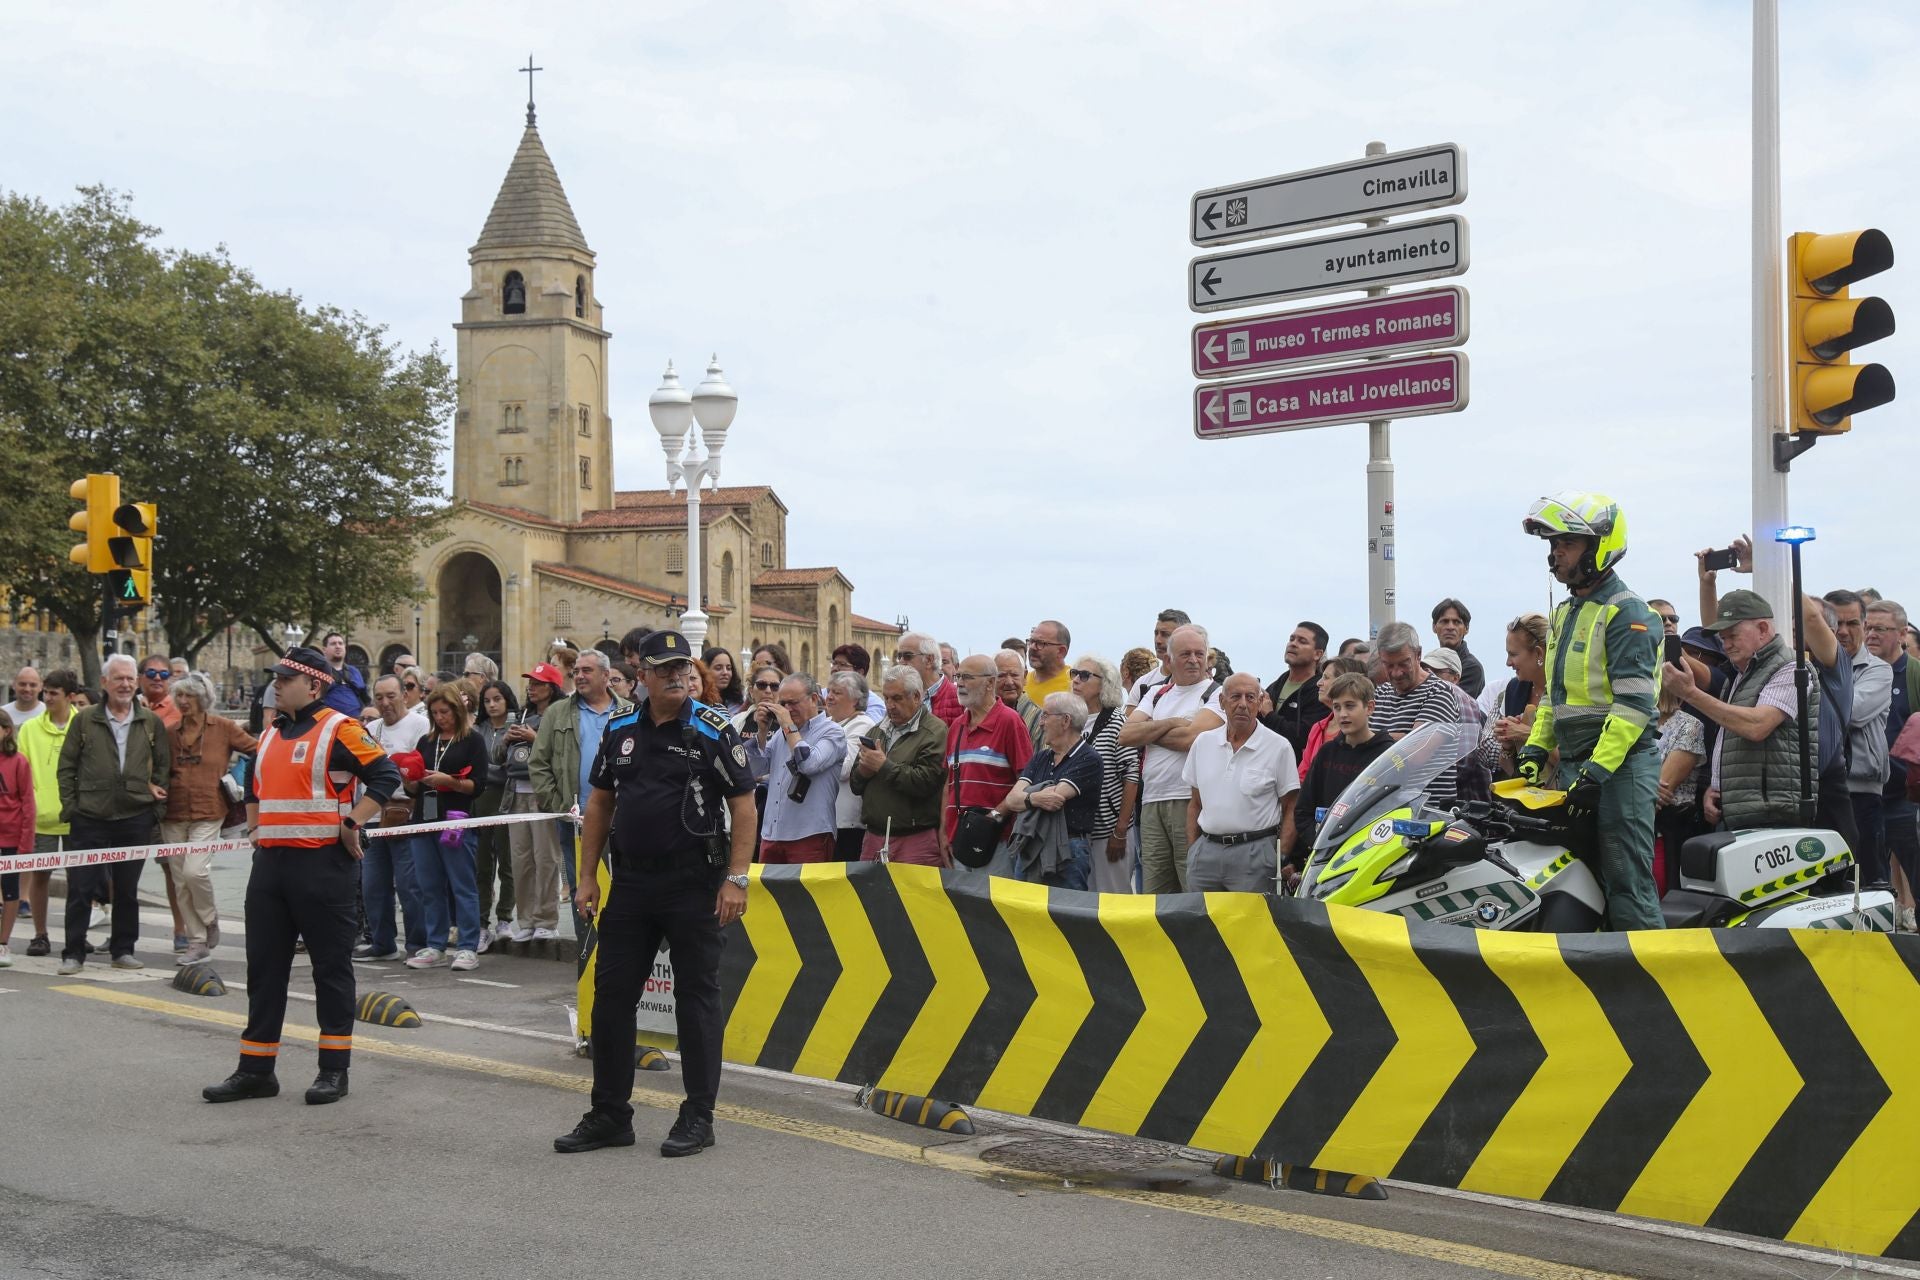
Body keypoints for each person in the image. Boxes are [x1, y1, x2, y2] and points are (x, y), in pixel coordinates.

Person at [557, 630, 756, 1158]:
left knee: (696, 999)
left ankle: (698, 1114)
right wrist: (587, 877)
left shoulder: (711, 729)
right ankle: (610, 1113)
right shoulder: (621, 727)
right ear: (640, 673)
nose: (675, 677)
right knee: (612, 998)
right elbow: (599, 803)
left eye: (682, 668)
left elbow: (743, 805)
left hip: (694, 883)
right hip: (632, 884)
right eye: (663, 669)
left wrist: (737, 878)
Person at [201, 645, 398, 1107]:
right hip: (271, 868)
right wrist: (253, 827)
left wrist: (354, 822)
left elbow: (386, 776)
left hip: (324, 867)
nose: (277, 683)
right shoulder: (271, 733)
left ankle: (333, 1071)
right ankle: (255, 1070)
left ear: (314, 685)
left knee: (330, 970)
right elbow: (252, 787)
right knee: (264, 971)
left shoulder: (340, 728)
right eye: (276, 676)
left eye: (285, 678)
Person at [1517, 491, 1663, 931]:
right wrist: (1535, 750)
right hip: (1580, 770)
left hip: (1622, 770)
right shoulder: (1566, 610)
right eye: (1553, 544)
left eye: (1567, 543)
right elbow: (1554, 696)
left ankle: (1655, 985)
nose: (1556, 553)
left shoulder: (1630, 613)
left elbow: (1635, 706)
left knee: (1626, 881)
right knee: (1582, 877)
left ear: (1600, 547)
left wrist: (1596, 773)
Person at [56, 654, 170, 974]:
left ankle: (123, 949)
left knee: (126, 890)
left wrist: (154, 811)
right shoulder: (85, 719)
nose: (126, 684)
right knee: (80, 887)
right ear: (104, 682)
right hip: (89, 816)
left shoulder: (150, 722)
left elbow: (163, 768)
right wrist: (72, 808)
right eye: (119, 678)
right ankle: (73, 952)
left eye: (131, 679)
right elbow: (67, 766)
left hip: (134, 816)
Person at [531, 649, 632, 937]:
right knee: (581, 886)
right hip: (576, 820)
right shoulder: (557, 712)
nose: (579, 676)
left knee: (625, 885)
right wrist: (556, 803)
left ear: (605, 675)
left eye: (587, 670)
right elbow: (538, 762)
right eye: (576, 671)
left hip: (624, 818)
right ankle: (587, 951)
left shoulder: (629, 711)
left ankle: (621, 948)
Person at [1119, 624, 1224, 892]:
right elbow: (1126, 734)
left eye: (1199, 654)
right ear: (1169, 659)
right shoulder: (1156, 692)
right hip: (1152, 800)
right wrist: (1174, 722)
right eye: (1186, 654)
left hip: (1189, 800)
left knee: (1191, 884)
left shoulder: (1216, 694)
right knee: (1155, 890)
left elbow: (1191, 739)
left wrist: (1151, 730)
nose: (1193, 660)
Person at [162, 672, 258, 965]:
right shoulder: (171, 733)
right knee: (180, 882)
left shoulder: (224, 728)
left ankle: (209, 917)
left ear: (202, 698)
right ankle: (197, 941)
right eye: (179, 695)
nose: (183, 701)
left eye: (189, 695)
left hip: (209, 810)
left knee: (195, 872)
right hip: (173, 813)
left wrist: (248, 782)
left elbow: (258, 750)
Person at [1181, 672, 1298, 893]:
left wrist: (1280, 856)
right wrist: (1193, 849)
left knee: (1250, 925)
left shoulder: (1278, 747)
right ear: (1222, 702)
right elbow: (1195, 803)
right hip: (1206, 853)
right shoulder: (1203, 743)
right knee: (1202, 923)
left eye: (1250, 697)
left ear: (1260, 702)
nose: (1243, 704)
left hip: (1255, 854)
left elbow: (1291, 806)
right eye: (1235, 697)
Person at [401, 685, 489, 970]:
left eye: (445, 712)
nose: (440, 718)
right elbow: (413, 787)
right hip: (424, 820)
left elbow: (477, 786)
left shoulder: (473, 741)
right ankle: (435, 944)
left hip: (457, 819)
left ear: (457, 710)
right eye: (435, 713)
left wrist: (449, 782)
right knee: (429, 885)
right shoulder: (426, 742)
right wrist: (410, 781)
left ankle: (467, 946)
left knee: (462, 884)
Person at [357, 673, 430, 961]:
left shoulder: (420, 725)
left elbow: (419, 774)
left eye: (391, 696)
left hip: (406, 815)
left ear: (404, 695)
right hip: (373, 817)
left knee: (410, 885)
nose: (385, 703)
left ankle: (416, 943)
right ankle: (382, 942)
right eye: (379, 697)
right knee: (373, 885)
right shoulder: (371, 729)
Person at [941, 654, 1034, 873]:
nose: (960, 683)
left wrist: (994, 817)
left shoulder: (1009, 721)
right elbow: (948, 784)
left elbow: (1028, 779)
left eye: (967, 677)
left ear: (990, 683)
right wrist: (944, 831)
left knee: (995, 905)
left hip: (997, 841)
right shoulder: (957, 726)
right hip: (959, 840)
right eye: (958, 676)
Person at [1001, 692, 1103, 889]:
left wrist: (1028, 796)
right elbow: (1012, 800)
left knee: (1066, 914)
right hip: (1031, 846)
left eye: (1045, 715)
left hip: (1068, 851)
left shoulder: (1089, 759)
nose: (1040, 723)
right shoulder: (1041, 757)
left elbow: (1055, 797)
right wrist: (1037, 797)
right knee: (1025, 915)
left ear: (1065, 720)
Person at [849, 668, 948, 866]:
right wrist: (863, 772)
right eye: (886, 698)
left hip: (915, 840)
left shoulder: (935, 732)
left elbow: (926, 783)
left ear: (917, 697)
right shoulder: (877, 731)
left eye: (897, 698)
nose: (890, 705)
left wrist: (883, 766)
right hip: (873, 837)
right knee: (870, 897)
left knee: (913, 897)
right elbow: (854, 784)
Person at [1826, 589, 1892, 885]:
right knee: (1831, 878)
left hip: (1861, 789)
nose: (1842, 631)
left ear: (1864, 626)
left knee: (1868, 876)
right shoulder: (1811, 667)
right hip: (1822, 787)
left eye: (1852, 623)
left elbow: (1850, 712)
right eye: (1836, 623)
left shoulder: (1878, 670)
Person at [498, 662, 565, 943]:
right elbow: (497, 757)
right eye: (530, 684)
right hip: (515, 794)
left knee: (545, 858)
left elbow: (562, 753)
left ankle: (546, 919)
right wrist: (506, 739)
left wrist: (534, 738)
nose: (532, 688)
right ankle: (526, 919)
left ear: (552, 688)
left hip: (543, 795)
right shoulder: (521, 714)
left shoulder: (559, 715)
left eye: (538, 684)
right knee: (521, 859)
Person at [1294, 672, 1393, 856]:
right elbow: (1303, 810)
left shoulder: (1387, 755)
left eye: (1350, 706)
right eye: (1337, 707)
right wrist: (1318, 841)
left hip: (1368, 853)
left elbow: (1391, 810)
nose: (1343, 714)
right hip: (1324, 853)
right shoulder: (1326, 752)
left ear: (1369, 707)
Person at [15, 669, 78, 956]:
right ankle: (40, 934)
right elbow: (23, 773)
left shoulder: (84, 723)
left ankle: (77, 935)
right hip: (42, 817)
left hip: (78, 817)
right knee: (40, 877)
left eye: (54, 693)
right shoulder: (29, 729)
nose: (47, 698)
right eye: (47, 692)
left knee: (81, 880)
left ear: (70, 696)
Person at [1368, 622, 1463, 808]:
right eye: (1388, 665)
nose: (1396, 673)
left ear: (1418, 655)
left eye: (1404, 664)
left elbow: (1415, 753)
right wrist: (1399, 739)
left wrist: (1372, 739)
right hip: (1383, 808)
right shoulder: (1380, 693)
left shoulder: (1439, 693)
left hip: (1425, 814)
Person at [1866, 600, 1919, 928]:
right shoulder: (1858, 672)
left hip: (1905, 800)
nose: (1871, 634)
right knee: (1869, 883)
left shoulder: (1913, 675)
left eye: (1880, 629)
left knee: (1916, 874)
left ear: (1901, 633)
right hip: (1864, 796)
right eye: (1868, 626)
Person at [757, 674, 847, 864]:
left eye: (793, 703)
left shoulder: (832, 732)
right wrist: (762, 732)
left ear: (814, 699)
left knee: (807, 895)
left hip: (810, 834)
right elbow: (755, 769)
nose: (787, 710)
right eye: (783, 704)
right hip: (772, 834)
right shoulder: (782, 733)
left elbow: (808, 764)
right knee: (768, 894)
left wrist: (788, 727)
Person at [1072, 655, 1138, 894]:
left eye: (1085, 675)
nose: (1076, 680)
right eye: (1074, 673)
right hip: (1078, 831)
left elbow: (1131, 777)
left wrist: (1119, 832)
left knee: (1113, 901)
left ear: (1105, 684)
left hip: (1108, 832)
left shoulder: (1118, 722)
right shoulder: (1073, 722)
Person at [472, 679, 520, 949]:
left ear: (507, 700)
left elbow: (511, 764)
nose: (491, 705)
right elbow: (479, 765)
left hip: (507, 796)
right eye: (487, 700)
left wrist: (490, 768)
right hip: (481, 797)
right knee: (482, 865)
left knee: (508, 861)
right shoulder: (478, 729)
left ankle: (504, 918)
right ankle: (481, 923)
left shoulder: (517, 725)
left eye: (496, 699)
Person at [1479, 613, 1550, 782]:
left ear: (1539, 654)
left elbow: (1572, 760)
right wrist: (1507, 746)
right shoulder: (1510, 692)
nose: (1508, 662)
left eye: (1513, 654)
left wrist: (1527, 734)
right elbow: (1486, 750)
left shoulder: (1567, 694)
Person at [824, 671, 876, 861]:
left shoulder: (863, 725)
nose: (829, 697)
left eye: (837, 693)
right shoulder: (827, 723)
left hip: (847, 824)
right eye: (829, 691)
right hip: (825, 821)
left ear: (855, 700)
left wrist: (816, 758)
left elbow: (845, 769)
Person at [1260, 623, 1329, 758]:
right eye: (1292, 639)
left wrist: (1269, 715)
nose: (1293, 644)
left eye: (1302, 641)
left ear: (1317, 654)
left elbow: (1303, 737)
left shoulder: (1320, 692)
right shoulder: (1275, 686)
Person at [0, 710, 32, 966]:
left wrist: (25, 843)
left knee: (10, 892)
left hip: (10, 837)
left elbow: (27, 804)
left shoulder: (18, 762)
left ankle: (3, 944)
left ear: (6, 731)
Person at [1125, 609, 1191, 708]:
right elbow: (1128, 722)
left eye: (1165, 635)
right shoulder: (1143, 683)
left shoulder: (1198, 682)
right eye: (1156, 633)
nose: (1158, 640)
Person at [895, 632, 961, 727]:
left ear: (929, 660)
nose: (901, 662)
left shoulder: (958, 698)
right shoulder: (898, 696)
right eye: (899, 656)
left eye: (907, 656)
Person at [1431, 599, 1485, 698]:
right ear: (1434, 627)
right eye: (1444, 621)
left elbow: (1450, 705)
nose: (1450, 627)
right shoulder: (1428, 664)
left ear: (1466, 629)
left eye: (1456, 622)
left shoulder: (1472, 668)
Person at [995, 648, 1043, 747]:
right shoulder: (981, 714)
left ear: (1025, 676)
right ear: (990, 679)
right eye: (1001, 676)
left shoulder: (1040, 719)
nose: (1009, 682)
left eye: (1014, 675)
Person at [829, 643, 887, 722]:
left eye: (842, 665)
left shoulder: (874, 704)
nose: (835, 668)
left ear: (860, 672)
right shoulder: (822, 694)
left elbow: (869, 730)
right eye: (834, 663)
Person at [319, 632, 369, 717]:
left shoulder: (354, 672)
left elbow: (365, 697)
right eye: (333, 644)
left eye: (340, 643)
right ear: (324, 649)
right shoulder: (318, 671)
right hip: (330, 723)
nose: (338, 646)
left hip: (355, 722)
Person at [1024, 620, 1072, 704]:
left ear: (1061, 651)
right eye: (1031, 641)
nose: (1032, 647)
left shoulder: (1074, 684)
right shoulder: (1021, 683)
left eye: (1040, 643)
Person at [138, 655, 182, 728]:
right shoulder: (131, 704)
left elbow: (157, 734)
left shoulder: (177, 707)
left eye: (164, 674)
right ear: (139, 678)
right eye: (151, 673)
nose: (157, 678)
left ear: (170, 679)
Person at [703, 646, 745, 714]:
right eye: (718, 668)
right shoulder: (697, 701)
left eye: (728, 668)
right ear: (705, 670)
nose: (725, 672)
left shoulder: (739, 701)